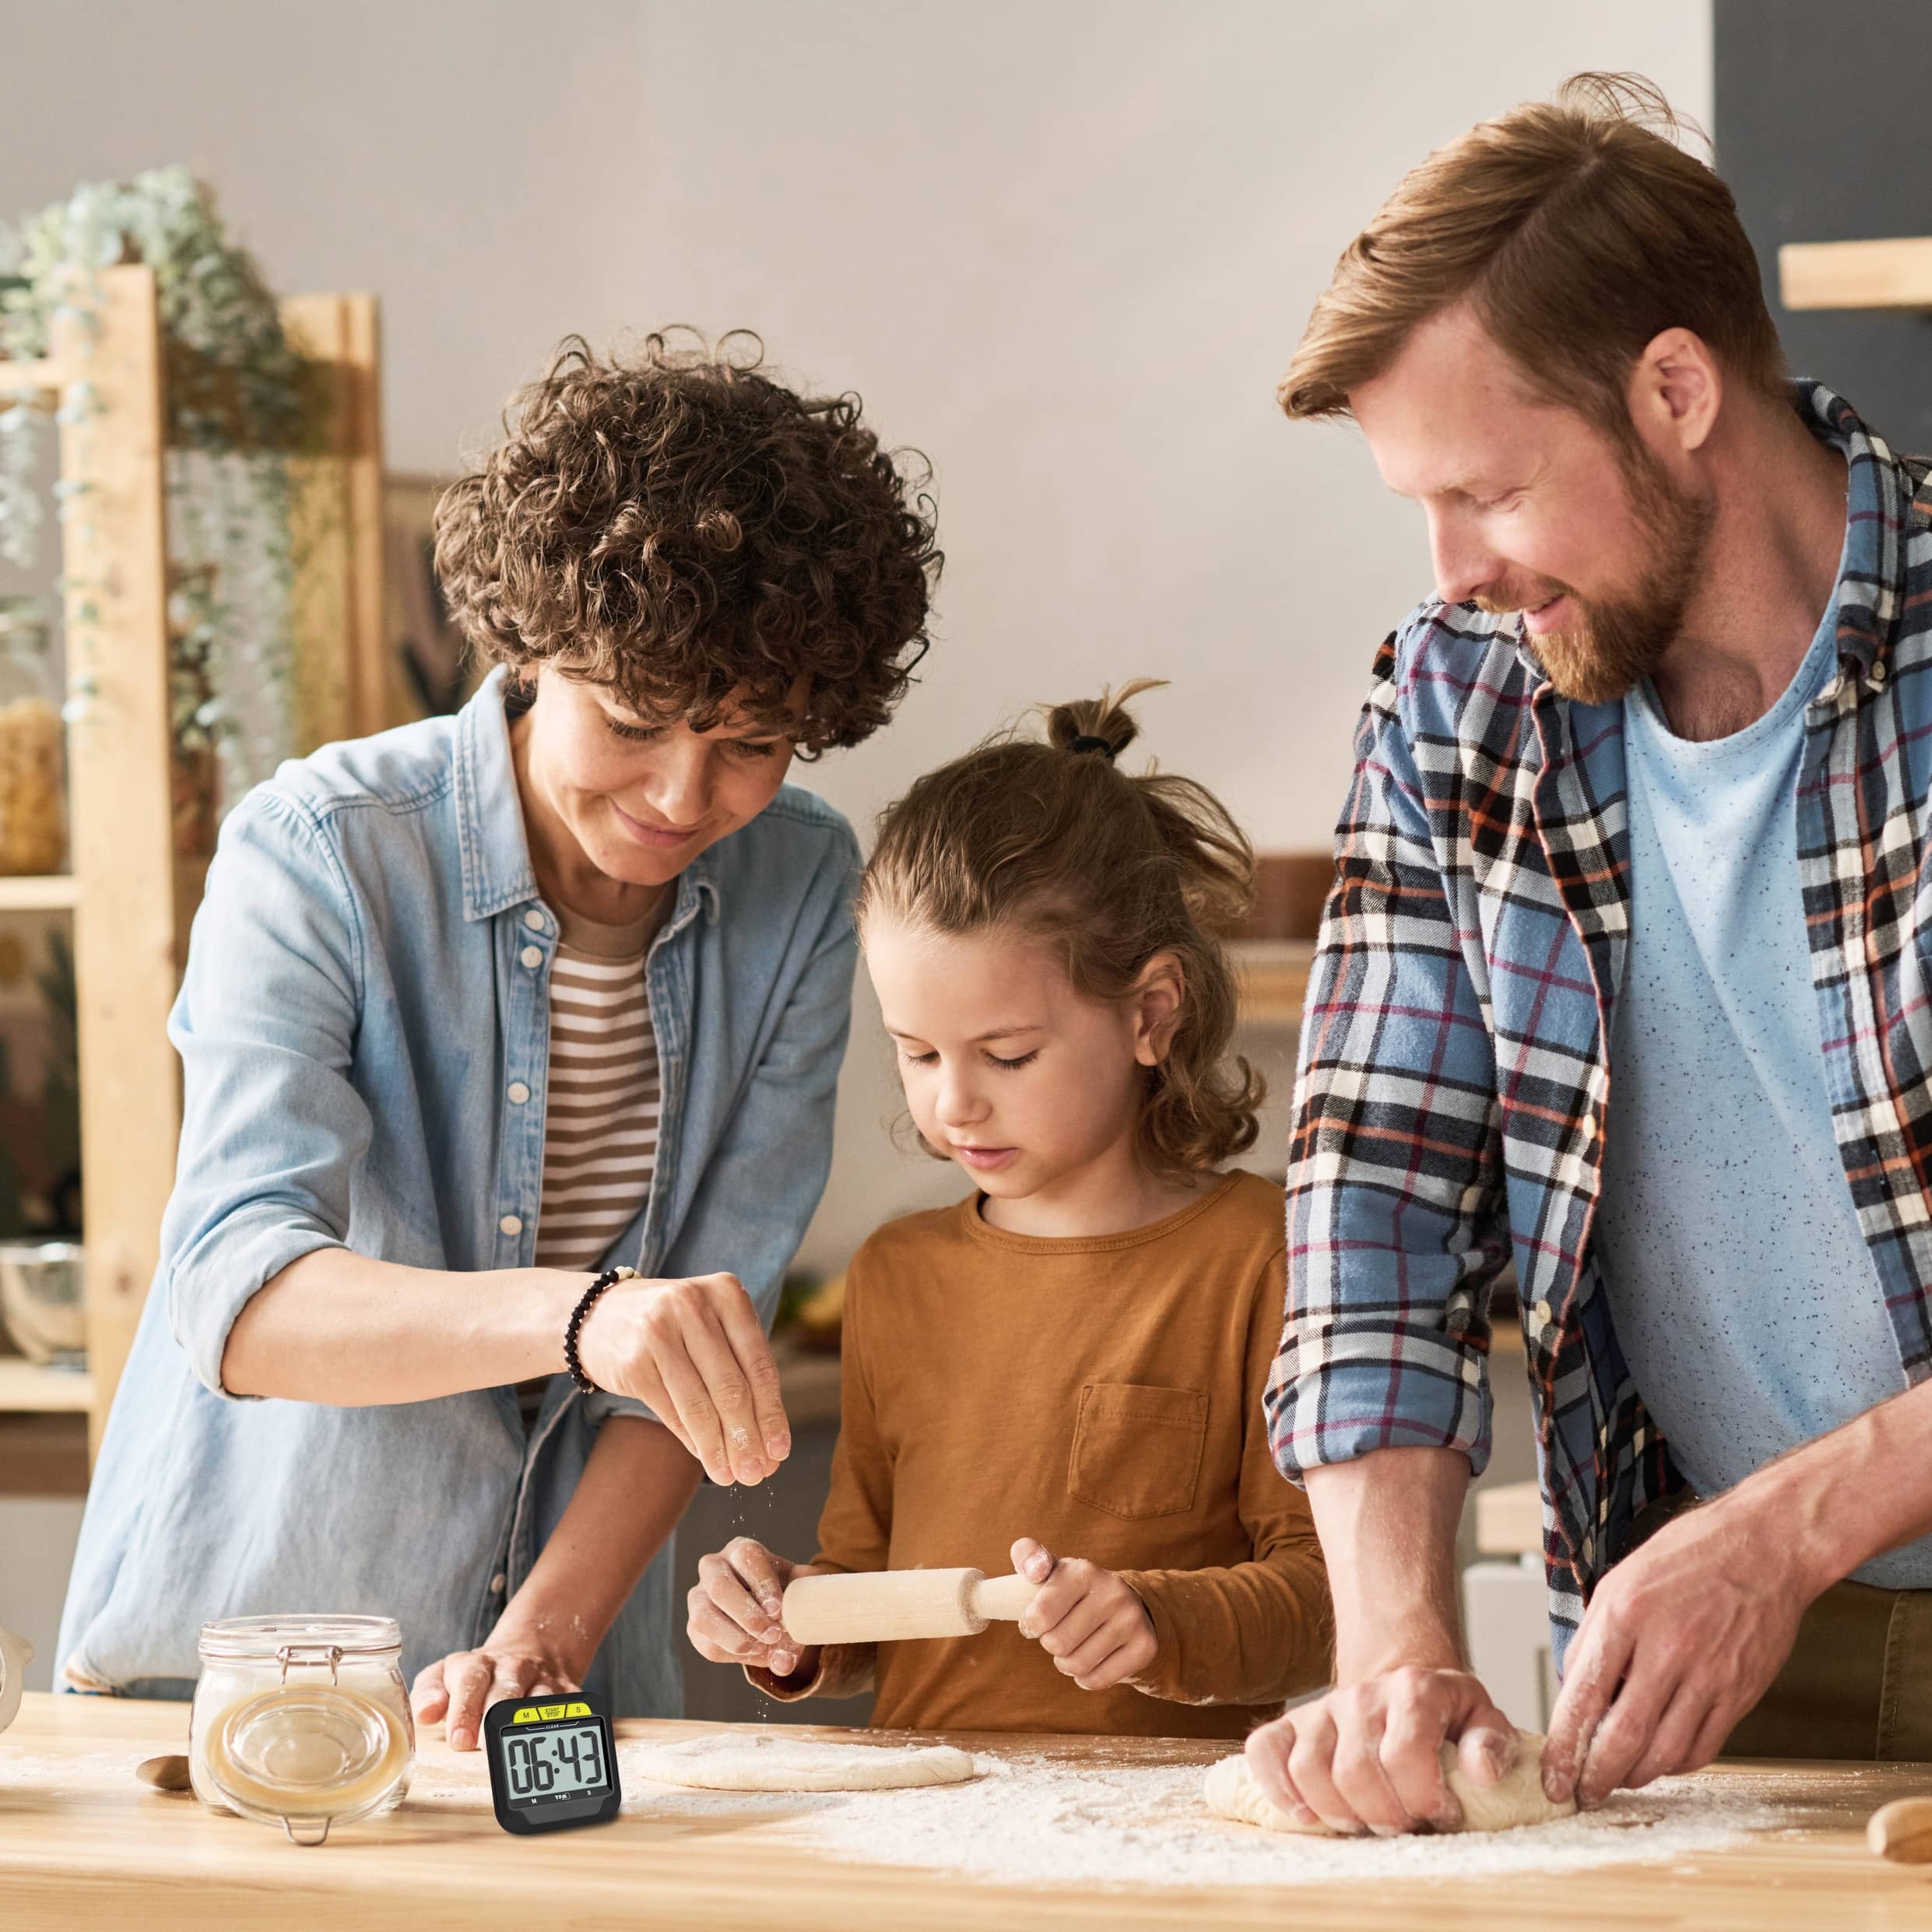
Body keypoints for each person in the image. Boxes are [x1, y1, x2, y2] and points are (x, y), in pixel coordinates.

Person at [57, 332, 940, 1750]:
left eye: (753, 742)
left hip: (563, 1680)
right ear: (526, 645)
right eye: (636, 720)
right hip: (248, 1665)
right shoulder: (324, 848)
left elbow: (703, 1353)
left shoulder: (800, 888)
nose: (681, 792)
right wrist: (586, 1315)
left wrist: (543, 1637)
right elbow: (236, 1294)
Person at [1249, 70, 1932, 1835]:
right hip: (1714, 1658)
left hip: (1750, 1571)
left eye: (1487, 490)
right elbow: (1372, 1208)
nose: (1448, 567)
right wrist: (1390, 1638)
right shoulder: (1453, 703)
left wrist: (1787, 1524)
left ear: (1676, 390)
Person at [685, 683, 1333, 1735]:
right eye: (917, 1051)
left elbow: (1325, 1600)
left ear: (1149, 1013)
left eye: (1008, 1054)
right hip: (927, 1828)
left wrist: (1155, 1620)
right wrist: (788, 1619)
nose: (954, 1100)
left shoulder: (1257, 1256)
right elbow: (866, 1581)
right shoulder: (898, 1275)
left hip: (1162, 1852)